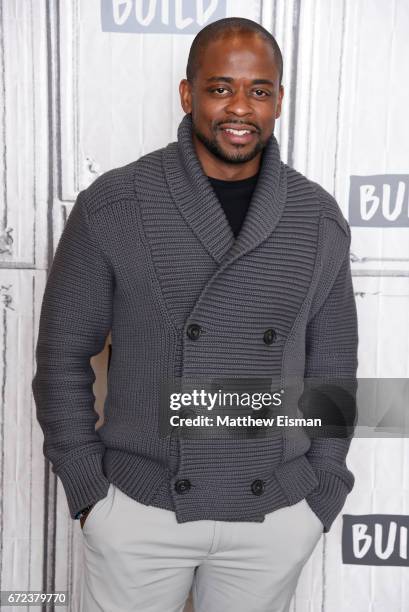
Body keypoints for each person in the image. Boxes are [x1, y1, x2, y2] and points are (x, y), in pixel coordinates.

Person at [32, 16, 358, 612]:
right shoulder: (115, 204)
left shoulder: (316, 218)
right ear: (188, 94)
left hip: (273, 514)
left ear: (279, 100)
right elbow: (62, 356)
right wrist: (88, 493)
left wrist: (324, 487)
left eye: (259, 90)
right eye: (220, 88)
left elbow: (333, 364)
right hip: (139, 510)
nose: (241, 107)